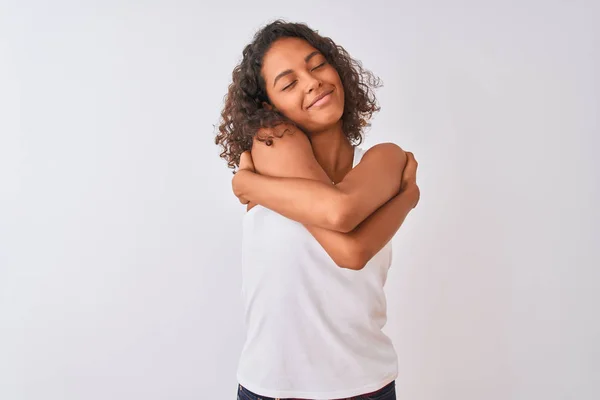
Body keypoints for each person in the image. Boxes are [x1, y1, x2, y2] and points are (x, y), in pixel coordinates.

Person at [216, 20, 420, 400]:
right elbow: (342, 221)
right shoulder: (271, 143)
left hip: (366, 387)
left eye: (317, 65)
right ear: (268, 107)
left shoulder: (385, 159)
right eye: (289, 83)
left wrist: (247, 184)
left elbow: (350, 244)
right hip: (271, 390)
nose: (312, 82)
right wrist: (407, 199)